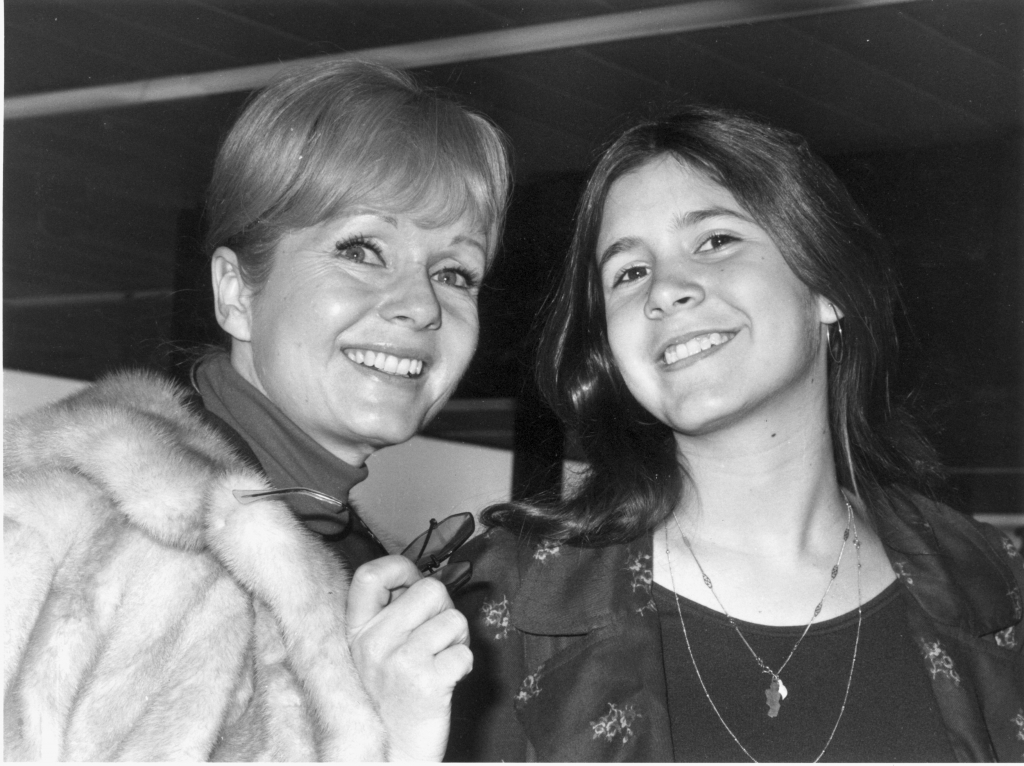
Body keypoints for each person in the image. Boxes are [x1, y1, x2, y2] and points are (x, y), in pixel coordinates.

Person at [447, 106, 1024, 762]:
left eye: (715, 241)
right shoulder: (496, 599)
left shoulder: (997, 582)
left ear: (827, 287)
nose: (664, 291)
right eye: (629, 273)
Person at [4, 59, 510, 761]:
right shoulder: (64, 527)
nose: (422, 305)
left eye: (455, 272)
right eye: (364, 249)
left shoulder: (351, 562)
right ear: (237, 292)